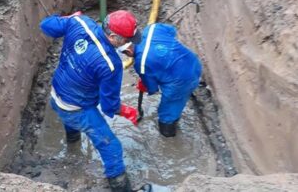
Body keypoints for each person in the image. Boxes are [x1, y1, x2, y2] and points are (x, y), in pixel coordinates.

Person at [40, 10, 151, 192]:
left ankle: (72, 144)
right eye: (126, 39)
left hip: (57, 95)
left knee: (71, 122)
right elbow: (109, 106)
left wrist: (66, 19)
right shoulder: (111, 64)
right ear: (113, 37)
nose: (129, 43)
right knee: (112, 147)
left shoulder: (80, 22)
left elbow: (45, 25)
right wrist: (125, 111)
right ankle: (121, 188)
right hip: (76, 109)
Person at [120, 23, 203, 138]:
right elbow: (172, 31)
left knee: (168, 112)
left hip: (182, 81)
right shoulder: (153, 28)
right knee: (177, 99)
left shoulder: (141, 63)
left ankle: (168, 135)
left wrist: (145, 82)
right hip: (194, 64)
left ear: (128, 51)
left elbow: (153, 89)